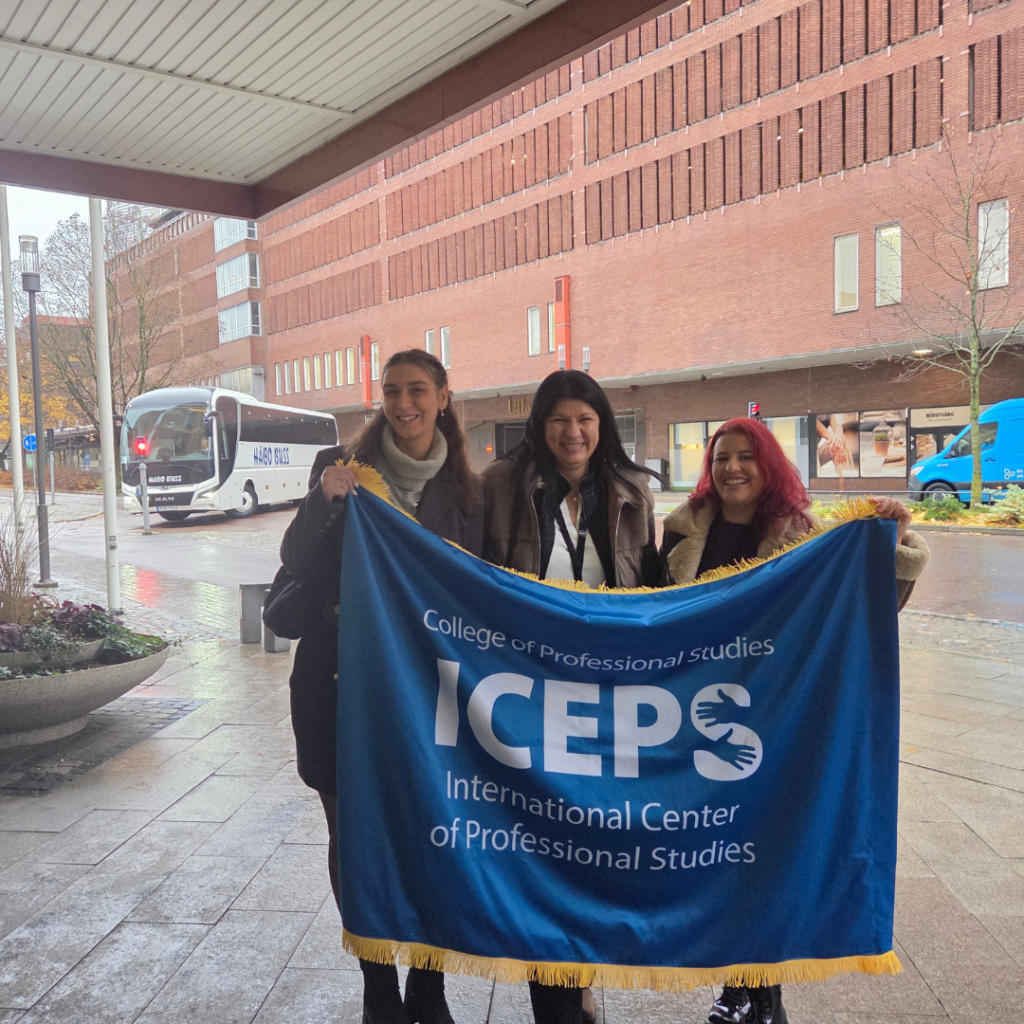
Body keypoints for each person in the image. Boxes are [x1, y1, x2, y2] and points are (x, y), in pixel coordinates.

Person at [660, 417, 929, 1024]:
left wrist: (889, 542)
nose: (732, 468)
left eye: (745, 457)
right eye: (721, 457)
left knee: (761, 856)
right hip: (698, 719)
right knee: (711, 855)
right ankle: (743, 986)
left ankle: (758, 994)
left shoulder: (802, 534)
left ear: (768, 466)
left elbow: (863, 607)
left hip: (775, 722)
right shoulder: (680, 532)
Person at [280, 349, 483, 1024]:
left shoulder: (469, 490)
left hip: (430, 690)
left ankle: (428, 981)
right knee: (353, 835)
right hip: (338, 679)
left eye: (418, 390)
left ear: (444, 396)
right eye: (392, 391)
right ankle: (377, 981)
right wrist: (324, 500)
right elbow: (294, 559)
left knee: (435, 832)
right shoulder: (339, 466)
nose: (404, 404)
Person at [482, 370, 660, 1024]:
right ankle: (557, 996)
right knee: (539, 842)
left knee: (591, 841)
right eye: (559, 418)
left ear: (602, 424)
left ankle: (577, 973)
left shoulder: (632, 491)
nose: (573, 432)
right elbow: (464, 573)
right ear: (540, 424)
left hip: (605, 698)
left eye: (585, 418)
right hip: (526, 692)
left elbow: (653, 589)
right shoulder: (501, 485)